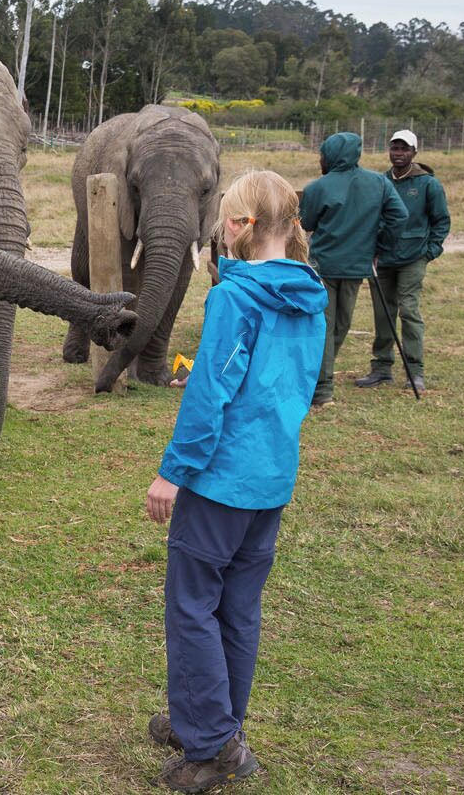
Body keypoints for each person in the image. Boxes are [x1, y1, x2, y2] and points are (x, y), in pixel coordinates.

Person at [144, 170, 327, 793]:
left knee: (193, 606)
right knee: (237, 609)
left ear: (238, 226)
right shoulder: (311, 297)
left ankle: (215, 746)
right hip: (272, 477)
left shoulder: (234, 297)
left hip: (221, 481)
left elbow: (211, 393)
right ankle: (212, 721)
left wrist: (174, 472)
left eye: (223, 215)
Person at [298, 132, 407, 407]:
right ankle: (320, 381)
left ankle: (320, 387)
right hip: (358, 266)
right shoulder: (379, 183)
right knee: (341, 324)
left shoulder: (317, 187)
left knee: (324, 325)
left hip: (323, 266)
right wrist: (380, 244)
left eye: (322, 154)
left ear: (331, 155)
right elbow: (400, 216)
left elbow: (307, 222)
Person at [355, 129, 450, 393]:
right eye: (395, 148)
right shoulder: (380, 181)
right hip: (382, 259)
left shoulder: (428, 184)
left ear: (414, 152)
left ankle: (415, 370)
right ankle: (382, 368)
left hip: (413, 258)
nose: (399, 154)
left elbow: (441, 221)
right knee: (383, 313)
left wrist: (430, 251)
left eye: (404, 149)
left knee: (409, 311)